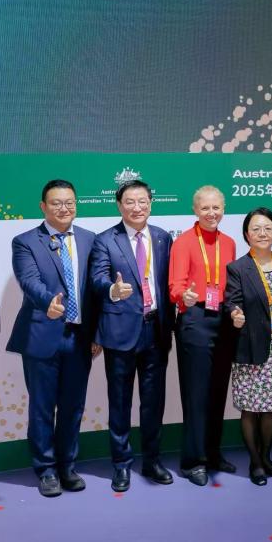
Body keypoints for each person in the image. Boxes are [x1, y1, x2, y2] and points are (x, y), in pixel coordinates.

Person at [7, 179, 100, 497]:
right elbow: (28, 280)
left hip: (80, 337)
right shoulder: (25, 242)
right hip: (42, 336)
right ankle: (46, 470)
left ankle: (67, 467)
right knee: (43, 407)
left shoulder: (89, 239)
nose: (64, 208)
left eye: (69, 202)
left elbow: (95, 290)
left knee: (73, 407)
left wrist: (97, 332)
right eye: (57, 203)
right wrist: (48, 301)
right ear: (43, 206)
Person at [89, 179, 174, 492]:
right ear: (119, 205)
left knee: (153, 404)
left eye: (142, 202)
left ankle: (152, 461)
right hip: (120, 333)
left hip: (156, 331)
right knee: (120, 403)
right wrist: (112, 289)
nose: (137, 208)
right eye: (130, 202)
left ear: (150, 204)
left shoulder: (163, 238)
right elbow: (97, 278)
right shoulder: (105, 240)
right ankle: (121, 465)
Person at [168, 185, 237, 486]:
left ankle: (213, 453)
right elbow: (175, 286)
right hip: (195, 319)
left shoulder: (230, 243)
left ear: (223, 209)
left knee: (218, 391)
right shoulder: (183, 242)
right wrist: (185, 295)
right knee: (196, 394)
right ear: (195, 210)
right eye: (205, 208)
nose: (211, 213)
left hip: (223, 319)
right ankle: (192, 461)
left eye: (216, 207)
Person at [224, 208, 272, 486]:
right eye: (256, 229)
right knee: (250, 408)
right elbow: (232, 300)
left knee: (270, 408)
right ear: (246, 234)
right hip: (252, 345)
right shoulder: (238, 267)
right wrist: (235, 313)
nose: (262, 233)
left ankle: (266, 458)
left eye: (268, 228)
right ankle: (255, 462)